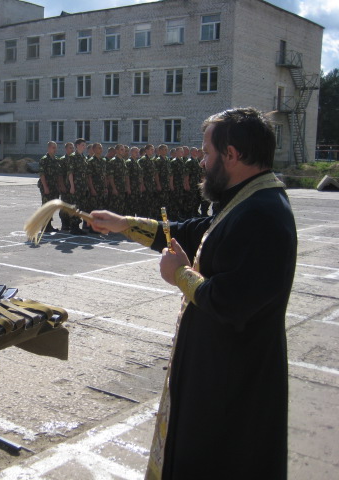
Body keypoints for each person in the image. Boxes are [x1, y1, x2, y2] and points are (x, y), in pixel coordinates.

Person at [89, 107, 296, 480]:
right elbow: (193, 230)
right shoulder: (247, 200)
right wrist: (125, 224)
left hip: (232, 383)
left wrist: (180, 275)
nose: (202, 162)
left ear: (231, 154)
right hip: (218, 369)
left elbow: (232, 301)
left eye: (206, 153)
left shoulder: (264, 215)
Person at [67, 138, 88, 235]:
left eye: (85, 145)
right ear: (78, 145)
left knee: (80, 206)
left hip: (82, 186)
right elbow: (70, 173)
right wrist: (72, 186)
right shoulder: (73, 157)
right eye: (83, 145)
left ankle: (77, 226)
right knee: (74, 206)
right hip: (76, 185)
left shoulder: (83, 157)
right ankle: (73, 227)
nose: (84, 146)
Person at [37, 141, 60, 233]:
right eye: (53, 147)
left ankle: (49, 225)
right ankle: (44, 226)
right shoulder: (44, 159)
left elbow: (58, 174)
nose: (55, 149)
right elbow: (42, 175)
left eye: (55, 147)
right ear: (48, 148)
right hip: (46, 186)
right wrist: (45, 187)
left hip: (54, 186)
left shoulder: (56, 159)